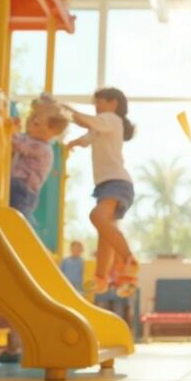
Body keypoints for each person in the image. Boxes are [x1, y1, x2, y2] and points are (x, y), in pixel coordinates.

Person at [0, 96, 71, 363]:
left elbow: (14, 142)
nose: (30, 123)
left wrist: (7, 126)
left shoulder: (42, 148)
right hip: (19, 190)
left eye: (36, 122)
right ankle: (12, 345)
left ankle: (27, 238)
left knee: (19, 220)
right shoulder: (38, 142)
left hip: (22, 192)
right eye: (30, 119)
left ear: (50, 131)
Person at [62, 88, 139, 298]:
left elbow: (86, 122)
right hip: (106, 184)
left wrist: (66, 110)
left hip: (117, 182)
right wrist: (75, 143)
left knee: (96, 217)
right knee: (105, 232)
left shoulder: (112, 119)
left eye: (99, 103)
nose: (96, 108)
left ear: (113, 104)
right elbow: (88, 137)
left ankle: (127, 259)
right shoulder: (102, 124)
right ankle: (101, 277)